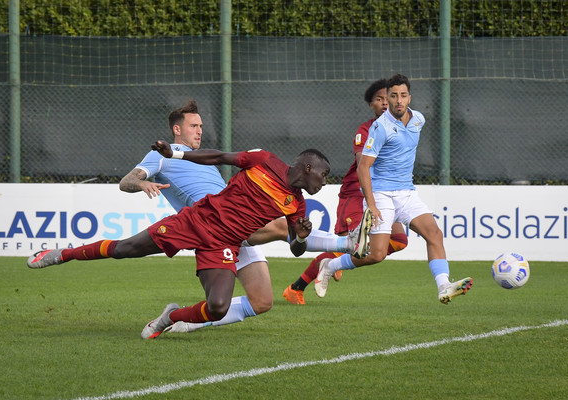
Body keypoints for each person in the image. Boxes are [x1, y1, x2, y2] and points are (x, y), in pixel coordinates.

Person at [28, 139, 331, 338]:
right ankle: (62, 254)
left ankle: (170, 317)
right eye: (324, 174)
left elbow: (296, 249)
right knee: (126, 249)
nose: (325, 181)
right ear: (308, 168)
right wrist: (175, 154)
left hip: (224, 245)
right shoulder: (263, 160)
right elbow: (219, 156)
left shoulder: (297, 205)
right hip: (196, 221)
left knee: (218, 307)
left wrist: (301, 237)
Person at [115, 100, 360, 334]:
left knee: (262, 302)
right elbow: (127, 181)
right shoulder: (163, 155)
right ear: (177, 129)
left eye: (201, 126)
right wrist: (143, 183)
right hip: (213, 223)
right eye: (193, 126)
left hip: (238, 227)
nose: (199, 131)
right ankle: (347, 243)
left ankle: (188, 323)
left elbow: (220, 159)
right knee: (279, 227)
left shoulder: (204, 158)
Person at [314, 74, 473, 304]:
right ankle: (330, 265)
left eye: (403, 95)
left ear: (410, 98)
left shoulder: (418, 120)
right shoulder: (380, 128)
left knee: (434, 234)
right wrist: (372, 204)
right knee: (377, 254)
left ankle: (443, 286)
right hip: (381, 194)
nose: (399, 100)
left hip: (406, 193)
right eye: (394, 96)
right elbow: (363, 167)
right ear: (387, 98)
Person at [282, 78, 408, 305]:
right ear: (371, 105)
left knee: (398, 240)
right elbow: (363, 163)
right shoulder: (366, 130)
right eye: (378, 99)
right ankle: (296, 288)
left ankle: (337, 263)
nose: (384, 103)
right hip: (357, 194)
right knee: (350, 246)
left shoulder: (402, 128)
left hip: (384, 194)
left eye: (386, 98)